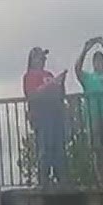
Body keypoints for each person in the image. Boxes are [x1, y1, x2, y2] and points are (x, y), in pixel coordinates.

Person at [24, 47, 69, 185]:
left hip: (56, 114)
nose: (43, 60)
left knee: (59, 147)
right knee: (45, 148)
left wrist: (60, 83)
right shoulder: (29, 76)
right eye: (39, 57)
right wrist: (49, 86)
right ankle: (44, 180)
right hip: (41, 116)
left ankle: (62, 178)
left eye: (43, 57)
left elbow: (60, 94)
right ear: (32, 59)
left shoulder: (48, 73)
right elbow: (32, 95)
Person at [75, 37, 103, 174]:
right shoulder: (88, 77)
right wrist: (85, 50)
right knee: (97, 151)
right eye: (96, 61)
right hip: (93, 116)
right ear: (93, 63)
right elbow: (77, 69)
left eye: (101, 60)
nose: (99, 63)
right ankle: (100, 181)